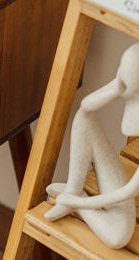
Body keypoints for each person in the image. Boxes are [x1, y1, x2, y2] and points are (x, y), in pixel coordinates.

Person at [45, 42, 139, 249]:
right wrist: (117, 86)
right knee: (84, 118)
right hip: (117, 189)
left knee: (117, 238)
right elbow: (86, 107)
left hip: (128, 190)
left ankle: (73, 200)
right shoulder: (128, 84)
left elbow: (127, 192)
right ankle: (73, 189)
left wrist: (76, 203)